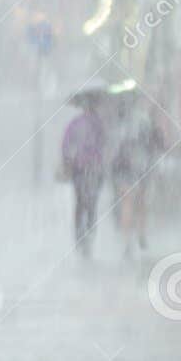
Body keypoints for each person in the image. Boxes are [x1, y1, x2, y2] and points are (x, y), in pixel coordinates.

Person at [110, 99, 165, 256]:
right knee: (140, 202)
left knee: (127, 204)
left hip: (124, 169)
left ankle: (127, 240)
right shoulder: (146, 123)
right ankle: (141, 233)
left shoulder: (121, 126)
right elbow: (160, 143)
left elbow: (114, 150)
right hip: (142, 167)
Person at [60, 103, 106, 256]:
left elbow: (66, 144)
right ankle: (90, 232)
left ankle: (79, 235)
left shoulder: (75, 123)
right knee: (92, 202)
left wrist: (68, 160)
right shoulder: (99, 124)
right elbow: (105, 145)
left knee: (80, 201)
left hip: (78, 168)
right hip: (95, 168)